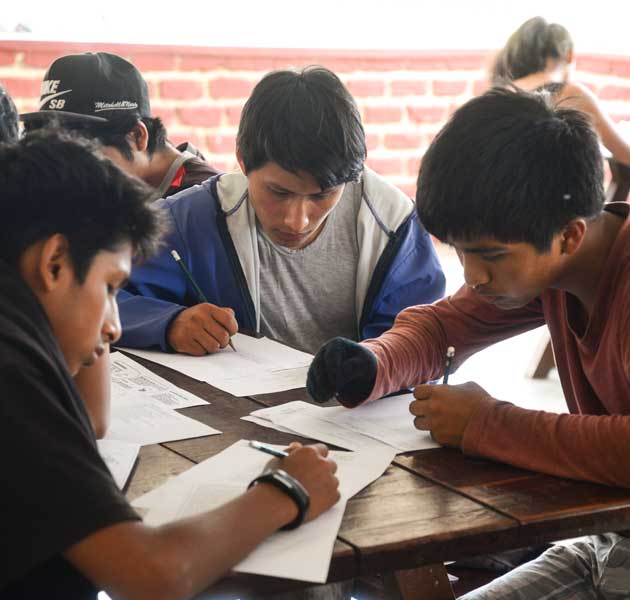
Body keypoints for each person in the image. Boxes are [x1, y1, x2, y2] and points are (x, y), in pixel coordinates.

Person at [307, 87, 630, 598]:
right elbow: (442, 327)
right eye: (460, 251)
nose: (473, 275)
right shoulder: (549, 260)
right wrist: (374, 362)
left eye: (489, 256)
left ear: (567, 236)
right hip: (604, 542)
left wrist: (487, 423)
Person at [0, 129, 340, 599]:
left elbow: (93, 422)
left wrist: (85, 313)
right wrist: (286, 492)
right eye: (111, 287)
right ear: (54, 262)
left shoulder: (19, 336)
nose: (114, 326)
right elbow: (152, 577)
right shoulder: (10, 373)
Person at [117, 66, 445, 355]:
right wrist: (168, 323)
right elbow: (93, 295)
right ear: (242, 161)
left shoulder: (392, 225)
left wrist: (371, 367)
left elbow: (424, 337)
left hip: (358, 416)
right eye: (279, 192)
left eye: (323, 195)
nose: (296, 220)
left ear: (351, 177)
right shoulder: (194, 217)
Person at [20, 51, 219, 436]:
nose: (70, 171)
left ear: (137, 135)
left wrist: (167, 320)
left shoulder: (200, 206)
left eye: (84, 154)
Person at [492, 16, 630, 166]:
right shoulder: (571, 94)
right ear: (569, 55)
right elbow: (624, 153)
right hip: (551, 188)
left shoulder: (495, 96)